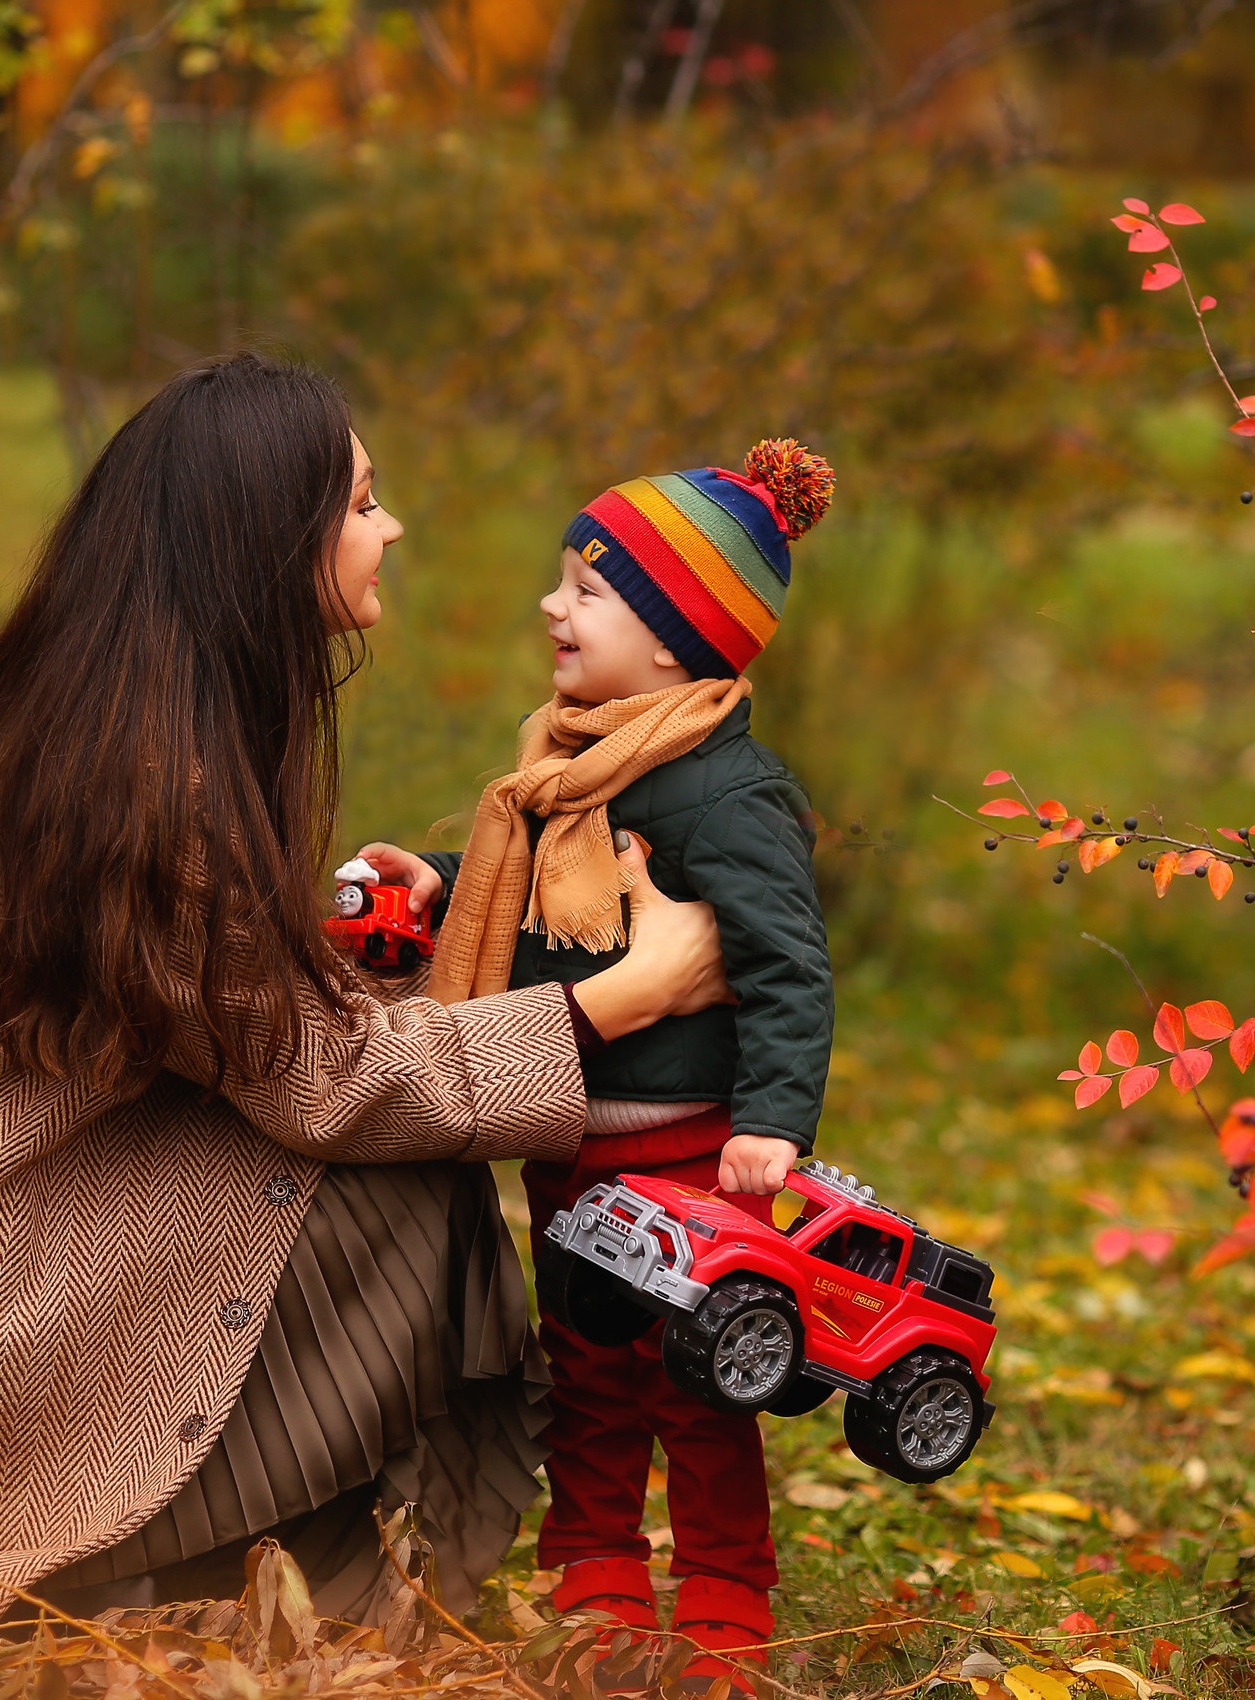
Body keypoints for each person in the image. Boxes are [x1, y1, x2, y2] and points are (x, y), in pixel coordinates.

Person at [0, 354, 736, 1626]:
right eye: (362, 503)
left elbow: (247, 1028)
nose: (391, 527)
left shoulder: (106, 733)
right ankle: (187, 1570)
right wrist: (625, 996)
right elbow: (331, 1087)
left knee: (398, 1140)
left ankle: (218, 1560)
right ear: (269, 539)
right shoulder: (148, 791)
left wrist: (392, 949)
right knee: (415, 1177)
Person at [353, 440, 837, 1676]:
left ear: (675, 637)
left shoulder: (727, 798)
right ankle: (599, 1583)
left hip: (687, 1156)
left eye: (586, 589)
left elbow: (785, 964)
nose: (551, 607)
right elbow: (549, 913)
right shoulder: (571, 765)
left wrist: (773, 1118)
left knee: (698, 1386)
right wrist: (444, 884)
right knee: (587, 1372)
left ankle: (725, 1603)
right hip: (571, 1144)